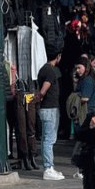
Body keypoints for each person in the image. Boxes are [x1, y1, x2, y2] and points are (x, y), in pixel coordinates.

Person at [35, 51, 65, 180]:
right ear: (58, 56)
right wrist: (40, 95)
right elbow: (45, 87)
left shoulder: (43, 69)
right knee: (49, 139)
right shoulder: (50, 71)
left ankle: (49, 167)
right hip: (50, 108)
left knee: (45, 139)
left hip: (46, 108)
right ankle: (48, 168)